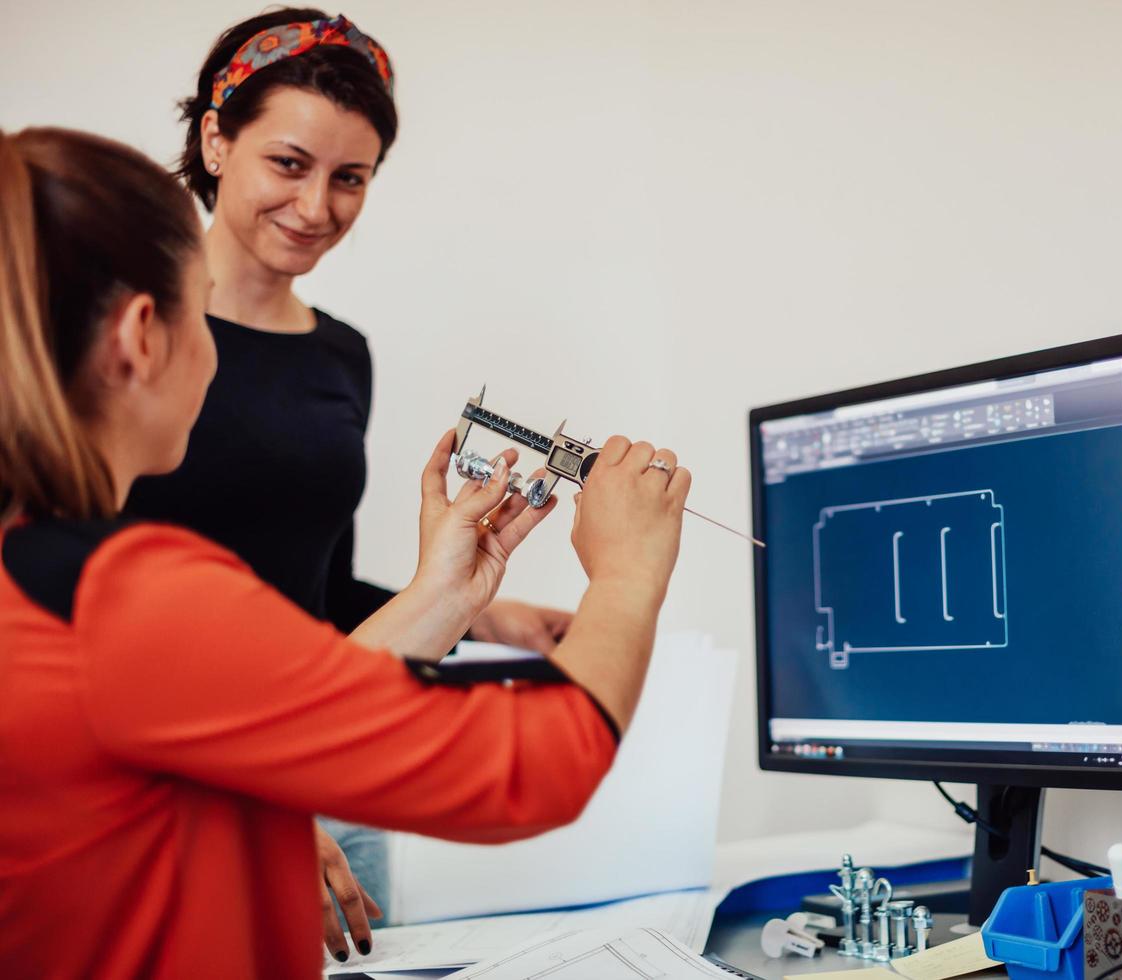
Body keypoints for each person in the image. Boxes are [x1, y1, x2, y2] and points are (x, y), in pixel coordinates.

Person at [0, 125, 689, 978]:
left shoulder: (34, 579)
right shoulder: (128, 596)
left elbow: (279, 708)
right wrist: (628, 573)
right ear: (143, 336)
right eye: (200, 309)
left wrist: (445, 597)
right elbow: (536, 767)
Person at [122, 9, 567, 943]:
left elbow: (310, 591)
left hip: (328, 769)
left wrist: (483, 615)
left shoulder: (340, 357)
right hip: (164, 780)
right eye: (289, 163)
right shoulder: (115, 328)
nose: (318, 208)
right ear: (215, 138)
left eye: (350, 178)